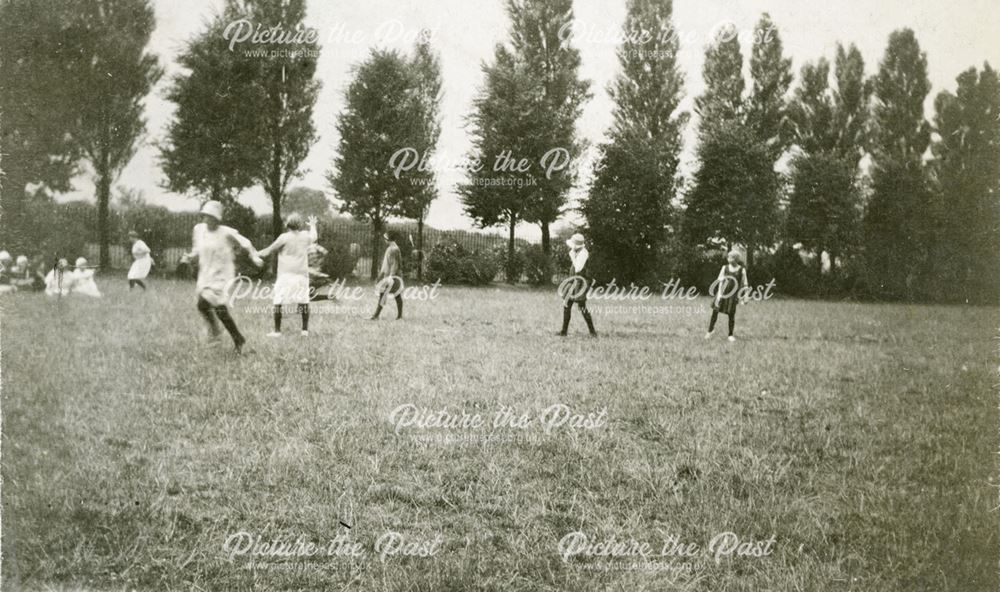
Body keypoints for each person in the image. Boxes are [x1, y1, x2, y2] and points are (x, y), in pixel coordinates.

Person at [187, 200, 263, 354]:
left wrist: (254, 257)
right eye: (205, 216)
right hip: (206, 272)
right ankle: (238, 338)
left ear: (217, 218)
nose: (206, 220)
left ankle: (215, 333)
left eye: (210, 217)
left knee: (204, 303)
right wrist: (190, 256)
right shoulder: (199, 230)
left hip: (222, 273)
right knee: (217, 308)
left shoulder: (226, 232)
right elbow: (196, 249)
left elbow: (246, 243)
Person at [257, 213, 318, 337]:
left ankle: (277, 331)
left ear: (287, 224)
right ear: (299, 225)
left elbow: (268, 251)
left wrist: (254, 253)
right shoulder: (305, 236)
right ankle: (304, 331)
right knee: (304, 301)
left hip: (286, 276)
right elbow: (314, 236)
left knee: (278, 301)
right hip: (302, 275)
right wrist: (312, 225)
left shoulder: (284, 237)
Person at [557, 233, 597, 337]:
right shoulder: (576, 252)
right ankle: (563, 331)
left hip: (581, 283)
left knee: (582, 306)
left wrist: (572, 257)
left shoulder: (583, 253)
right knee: (567, 304)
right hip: (574, 281)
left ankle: (593, 332)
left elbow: (578, 268)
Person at [705, 250, 749, 342]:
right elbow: (720, 280)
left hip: (733, 295)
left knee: (731, 315)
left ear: (736, 259)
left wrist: (745, 296)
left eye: (730, 257)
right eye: (728, 257)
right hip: (722, 293)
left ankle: (730, 334)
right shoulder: (724, 268)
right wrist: (719, 294)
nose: (728, 258)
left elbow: (745, 284)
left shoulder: (742, 270)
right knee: (715, 312)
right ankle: (710, 330)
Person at [369, 231, 403, 320]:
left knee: (385, 294)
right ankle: (398, 316)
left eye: (385, 239)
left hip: (391, 276)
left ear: (387, 239)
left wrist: (391, 277)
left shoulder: (393, 249)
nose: (384, 240)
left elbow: (394, 264)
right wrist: (381, 276)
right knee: (395, 294)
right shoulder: (392, 248)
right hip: (390, 276)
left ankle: (376, 316)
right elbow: (386, 264)